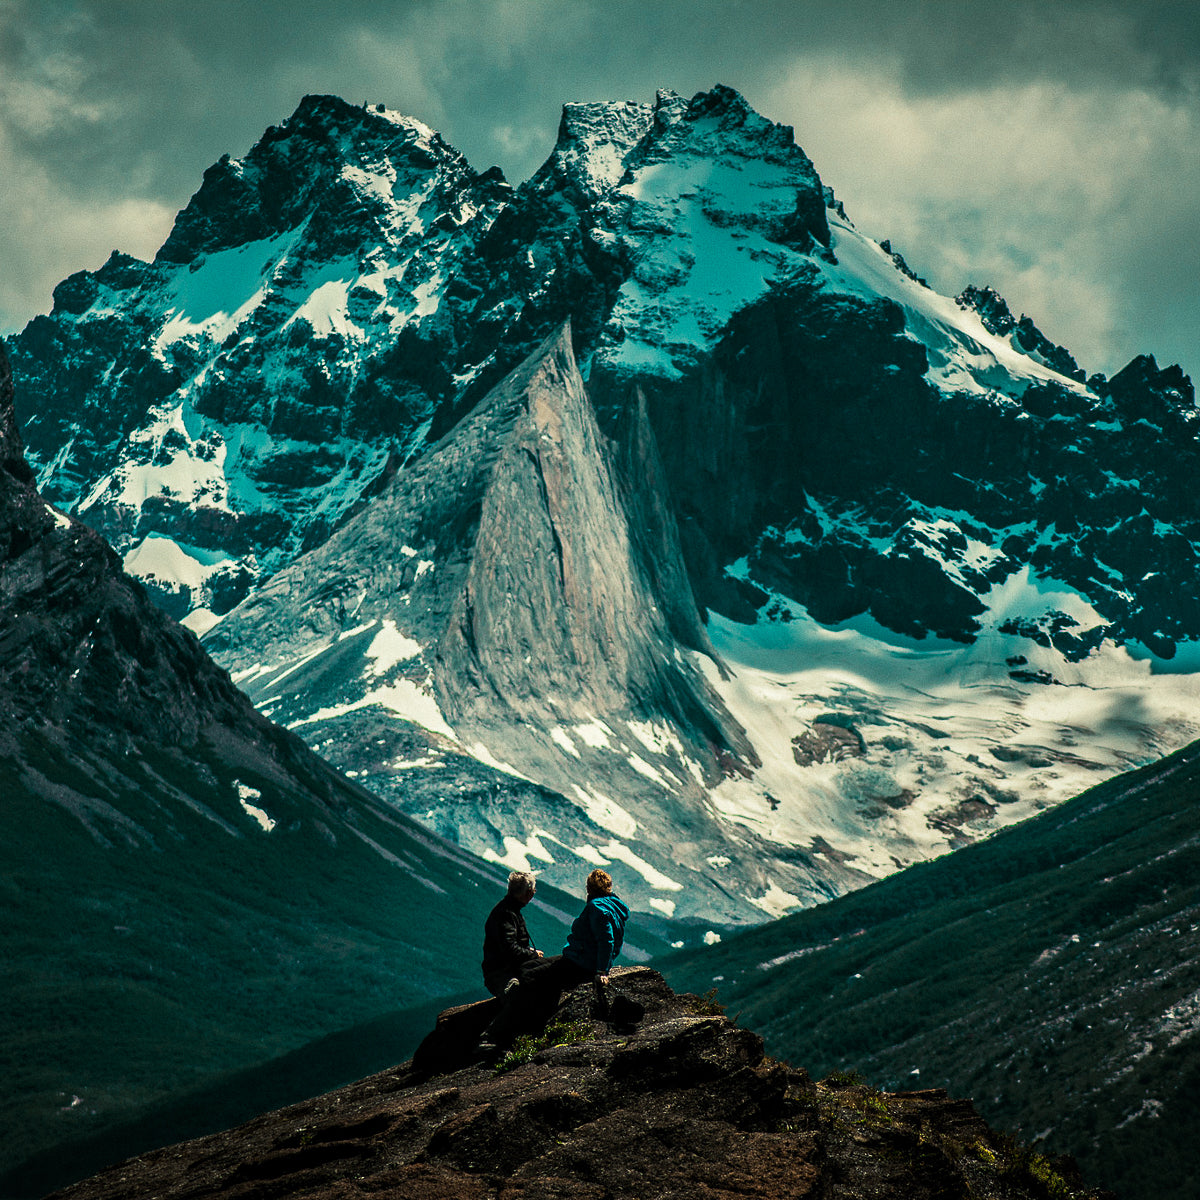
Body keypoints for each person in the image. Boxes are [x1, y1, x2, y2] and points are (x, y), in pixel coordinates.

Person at [482, 869, 629, 1050]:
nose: (534, 893)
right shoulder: (614, 906)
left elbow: (606, 940)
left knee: (531, 978)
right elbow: (508, 946)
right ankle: (533, 1031)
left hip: (581, 962)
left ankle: (496, 1035)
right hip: (582, 961)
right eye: (533, 890)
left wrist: (601, 971)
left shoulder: (597, 908)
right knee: (536, 971)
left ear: (589, 888)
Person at [480, 870, 542, 998]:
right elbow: (510, 949)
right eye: (533, 890)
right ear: (528, 892)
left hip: (499, 970)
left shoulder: (507, 910)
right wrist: (533, 954)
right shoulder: (507, 914)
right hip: (503, 973)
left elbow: (506, 944)